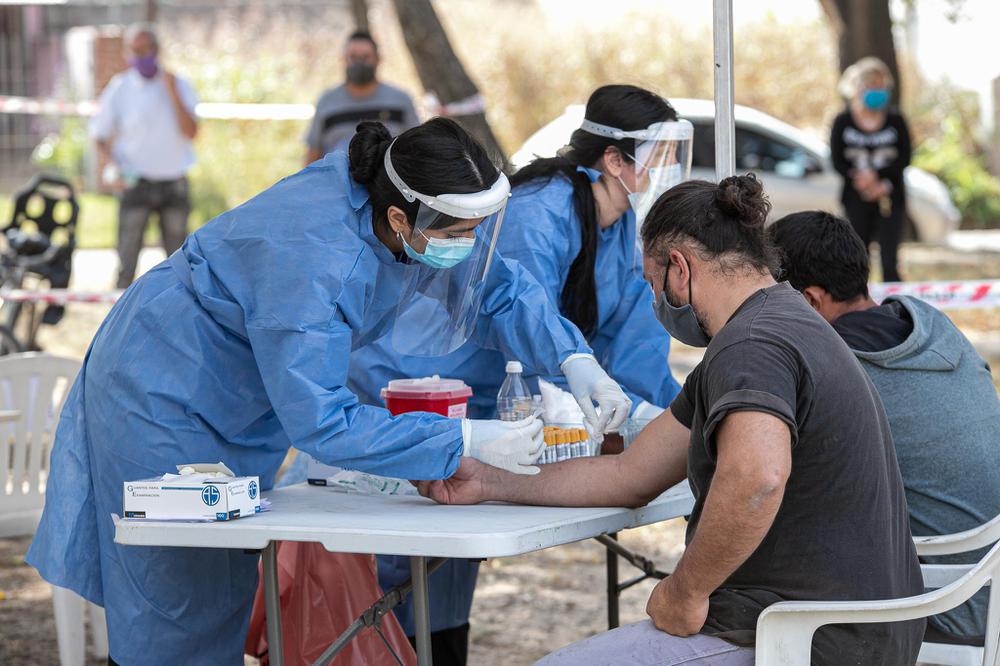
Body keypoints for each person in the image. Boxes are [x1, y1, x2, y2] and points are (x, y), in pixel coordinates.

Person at [26, 117, 632, 665]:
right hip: (161, 384)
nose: (470, 244)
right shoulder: (314, 257)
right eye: (461, 231)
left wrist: (574, 358)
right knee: (176, 597)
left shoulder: (398, 204)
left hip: (241, 392)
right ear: (400, 219)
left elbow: (499, 285)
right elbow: (323, 422)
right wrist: (466, 436)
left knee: (224, 582)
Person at [415, 175, 926, 665]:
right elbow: (629, 474)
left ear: (679, 268)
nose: (656, 301)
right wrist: (489, 480)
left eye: (652, 284)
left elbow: (756, 478)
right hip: (850, 629)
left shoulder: (752, 345)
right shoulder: (780, 322)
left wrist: (687, 590)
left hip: (801, 638)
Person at [340, 84, 691, 661]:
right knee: (404, 555)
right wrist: (566, 374)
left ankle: (442, 647)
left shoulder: (622, 227)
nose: (671, 171)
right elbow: (521, 318)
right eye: (662, 156)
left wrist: (669, 419)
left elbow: (633, 344)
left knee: (449, 563)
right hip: (411, 387)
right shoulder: (545, 210)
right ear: (613, 160)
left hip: (483, 408)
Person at [769, 210, 1000, 646]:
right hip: (990, 587)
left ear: (811, 300)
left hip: (944, 607)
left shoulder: (832, 366)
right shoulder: (932, 322)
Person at [90, 23, 198, 289]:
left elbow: (191, 132)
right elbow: (99, 134)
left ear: (157, 50)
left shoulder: (179, 84)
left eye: (145, 50)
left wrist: (171, 91)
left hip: (173, 183)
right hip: (134, 183)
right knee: (126, 261)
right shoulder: (121, 88)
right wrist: (111, 164)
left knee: (180, 264)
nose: (141, 56)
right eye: (135, 51)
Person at [830, 56, 912, 283]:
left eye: (881, 85)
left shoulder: (896, 120)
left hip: (890, 198)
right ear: (856, 87)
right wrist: (860, 179)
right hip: (855, 197)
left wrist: (879, 180)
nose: (877, 90)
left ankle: (894, 310)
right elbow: (837, 160)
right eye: (870, 85)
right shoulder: (843, 121)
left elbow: (905, 157)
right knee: (857, 258)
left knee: (889, 260)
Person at [304, 30, 419, 163]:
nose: (359, 63)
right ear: (343, 59)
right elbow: (313, 154)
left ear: (378, 59)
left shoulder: (400, 101)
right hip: (338, 181)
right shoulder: (327, 101)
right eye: (353, 57)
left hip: (387, 181)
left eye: (365, 57)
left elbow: (416, 149)